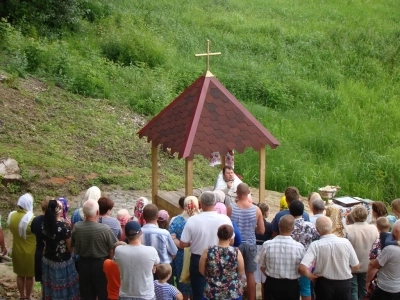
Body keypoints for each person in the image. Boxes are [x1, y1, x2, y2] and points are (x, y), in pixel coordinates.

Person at [180, 191, 234, 300]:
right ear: (214, 203)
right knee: (220, 291)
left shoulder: (192, 220)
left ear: (201, 204)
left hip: (198, 258)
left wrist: (195, 241)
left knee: (199, 292)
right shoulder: (225, 219)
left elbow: (183, 244)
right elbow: (231, 241)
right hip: (220, 257)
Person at [299, 216, 360, 300]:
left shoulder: (315, 245)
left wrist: (310, 276)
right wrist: (345, 269)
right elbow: (356, 265)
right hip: (343, 284)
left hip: (323, 284)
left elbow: (302, 267)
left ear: (317, 229)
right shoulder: (346, 243)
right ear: (331, 227)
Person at [71, 199, 117, 300]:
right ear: (97, 212)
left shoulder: (77, 227)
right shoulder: (105, 229)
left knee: (86, 294)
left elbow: (73, 245)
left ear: (83, 212)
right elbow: (113, 248)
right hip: (101, 265)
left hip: (83, 264)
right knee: (103, 293)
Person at [255, 215, 305, 300]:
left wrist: (270, 276)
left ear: (278, 225)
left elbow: (262, 267)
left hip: (272, 283)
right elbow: (302, 268)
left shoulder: (267, 245)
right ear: (293, 229)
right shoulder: (299, 247)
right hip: (291, 286)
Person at [229, 183, 264, 300]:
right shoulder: (256, 210)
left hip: (235, 245)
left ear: (237, 193)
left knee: (233, 273)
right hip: (250, 244)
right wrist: (251, 227)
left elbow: (227, 227)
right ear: (248, 192)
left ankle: (234, 296)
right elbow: (261, 230)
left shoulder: (230, 209)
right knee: (250, 274)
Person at [42, 199, 79, 299]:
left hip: (48, 260)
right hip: (62, 263)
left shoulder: (44, 225)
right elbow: (70, 248)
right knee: (63, 288)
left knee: (50, 286)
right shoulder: (64, 227)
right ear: (60, 211)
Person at [114, 221, 160, 299]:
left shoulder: (118, 250)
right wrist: (154, 265)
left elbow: (115, 261)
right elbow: (157, 262)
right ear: (141, 232)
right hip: (146, 296)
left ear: (125, 235)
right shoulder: (151, 251)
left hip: (125, 295)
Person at [199, 224, 244, 300]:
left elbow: (201, 270)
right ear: (230, 238)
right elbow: (240, 271)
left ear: (218, 235)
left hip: (211, 292)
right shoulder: (236, 252)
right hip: (232, 292)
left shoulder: (208, 251)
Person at [169, 196, 199, 300]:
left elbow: (171, 237)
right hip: (198, 254)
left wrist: (183, 245)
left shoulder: (176, 221)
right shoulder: (201, 220)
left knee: (183, 281)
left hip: (181, 255)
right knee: (197, 283)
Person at [345, 206, 379, 300]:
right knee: (365, 290)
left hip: (352, 265)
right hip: (368, 265)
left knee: (353, 290)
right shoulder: (374, 228)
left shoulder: (348, 229)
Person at [7, 193, 36, 300]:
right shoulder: (31, 219)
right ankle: (28, 296)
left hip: (17, 249)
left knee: (20, 274)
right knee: (29, 276)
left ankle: (22, 296)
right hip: (29, 252)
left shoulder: (12, 215)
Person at [289, 200, 320, 300]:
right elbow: (317, 241)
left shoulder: (287, 225)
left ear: (290, 211)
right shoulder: (310, 226)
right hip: (307, 261)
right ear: (303, 211)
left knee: (291, 288)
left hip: (290, 260)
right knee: (305, 288)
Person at [366, 217, 400, 298]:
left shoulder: (390, 249)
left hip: (385, 288)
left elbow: (374, 266)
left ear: (395, 230)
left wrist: (367, 281)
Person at [30, 197, 50, 284]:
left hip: (39, 253)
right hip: (50, 255)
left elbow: (33, 231)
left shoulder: (35, 220)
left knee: (43, 283)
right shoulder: (54, 222)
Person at [254, 203, 272, 299]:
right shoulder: (269, 226)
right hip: (264, 251)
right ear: (265, 213)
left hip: (254, 250)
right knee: (264, 280)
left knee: (252, 278)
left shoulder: (253, 225)